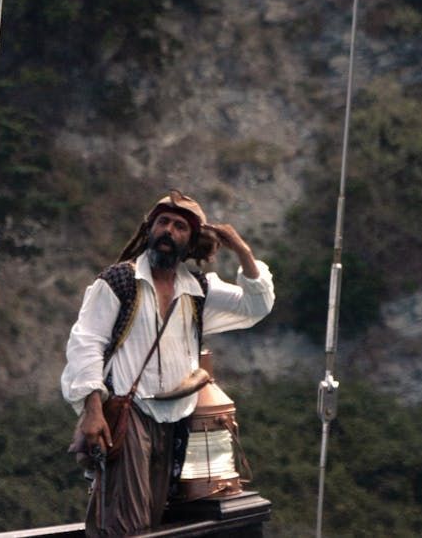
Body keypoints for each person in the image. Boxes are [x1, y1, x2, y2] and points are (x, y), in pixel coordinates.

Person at [61, 190, 275, 536]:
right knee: (127, 523)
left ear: (190, 241)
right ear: (150, 229)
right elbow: (86, 343)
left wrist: (241, 249)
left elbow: (257, 306)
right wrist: (93, 410)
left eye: (179, 226)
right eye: (163, 222)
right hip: (130, 414)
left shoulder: (198, 290)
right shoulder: (119, 281)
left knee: (153, 518)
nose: (168, 231)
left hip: (175, 419)